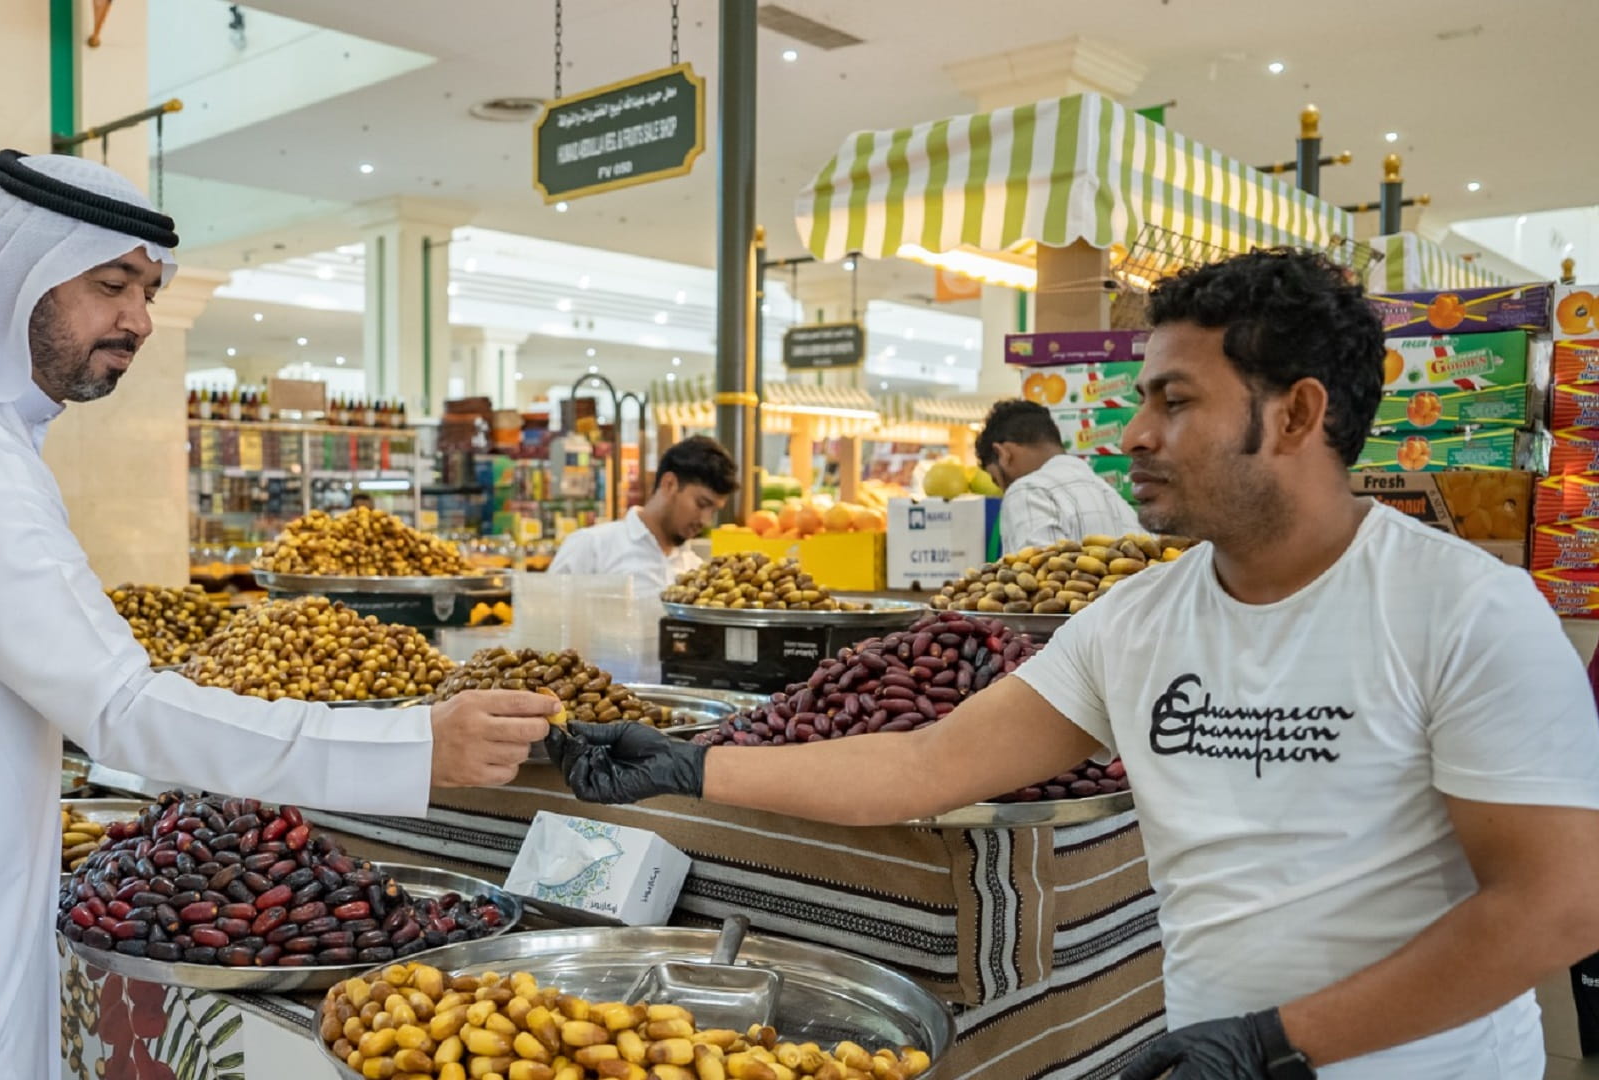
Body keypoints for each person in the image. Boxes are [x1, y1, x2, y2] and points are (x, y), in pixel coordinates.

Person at [548, 249, 1599, 1079]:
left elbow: (1557, 903)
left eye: (1175, 402)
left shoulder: (1463, 609)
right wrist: (692, 766)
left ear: (1299, 414)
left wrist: (1281, 1043)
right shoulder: (1138, 617)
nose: (1134, 433)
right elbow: (924, 767)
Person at [0, 150, 557, 1078]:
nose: (138, 320)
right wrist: (414, 747)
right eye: (110, 285)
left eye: (148, 289)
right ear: (15, 277)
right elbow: (123, 708)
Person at [546, 436, 736, 593]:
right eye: (701, 504)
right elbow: (545, 619)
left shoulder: (695, 569)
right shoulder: (592, 547)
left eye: (714, 511)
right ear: (669, 484)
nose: (705, 520)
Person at [977, 398, 1142, 551]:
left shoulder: (1027, 491)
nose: (1002, 490)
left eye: (996, 480)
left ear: (1003, 454)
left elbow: (1037, 578)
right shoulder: (1117, 501)